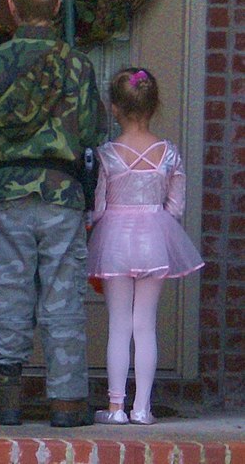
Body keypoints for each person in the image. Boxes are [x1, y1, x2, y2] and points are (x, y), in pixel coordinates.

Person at [0, 0, 107, 427]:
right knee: (62, 297)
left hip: (10, 194)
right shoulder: (78, 66)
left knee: (13, 291)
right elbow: (91, 133)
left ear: (9, 8)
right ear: (58, 4)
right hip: (63, 195)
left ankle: (6, 396)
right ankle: (68, 400)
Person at [87, 67, 204, 425]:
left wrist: (94, 225)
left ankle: (116, 407)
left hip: (116, 240)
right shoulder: (168, 154)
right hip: (155, 238)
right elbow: (176, 207)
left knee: (119, 324)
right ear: (154, 106)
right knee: (145, 324)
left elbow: (99, 207)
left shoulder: (107, 154)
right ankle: (142, 407)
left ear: (113, 108)